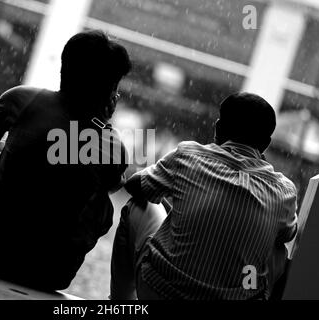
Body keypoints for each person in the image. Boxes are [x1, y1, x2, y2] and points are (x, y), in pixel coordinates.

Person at [0, 30, 131, 290]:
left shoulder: (25, 99)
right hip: (48, 273)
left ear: (64, 70)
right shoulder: (113, 146)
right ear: (109, 91)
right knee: (101, 198)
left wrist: (10, 153)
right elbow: (113, 184)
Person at [110, 92, 298, 300]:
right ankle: (243, 289)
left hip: (159, 291)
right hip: (240, 290)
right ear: (266, 144)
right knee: (277, 250)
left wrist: (179, 207)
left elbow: (136, 185)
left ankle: (120, 302)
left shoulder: (189, 155)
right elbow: (288, 233)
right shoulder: (283, 192)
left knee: (139, 203)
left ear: (218, 128)